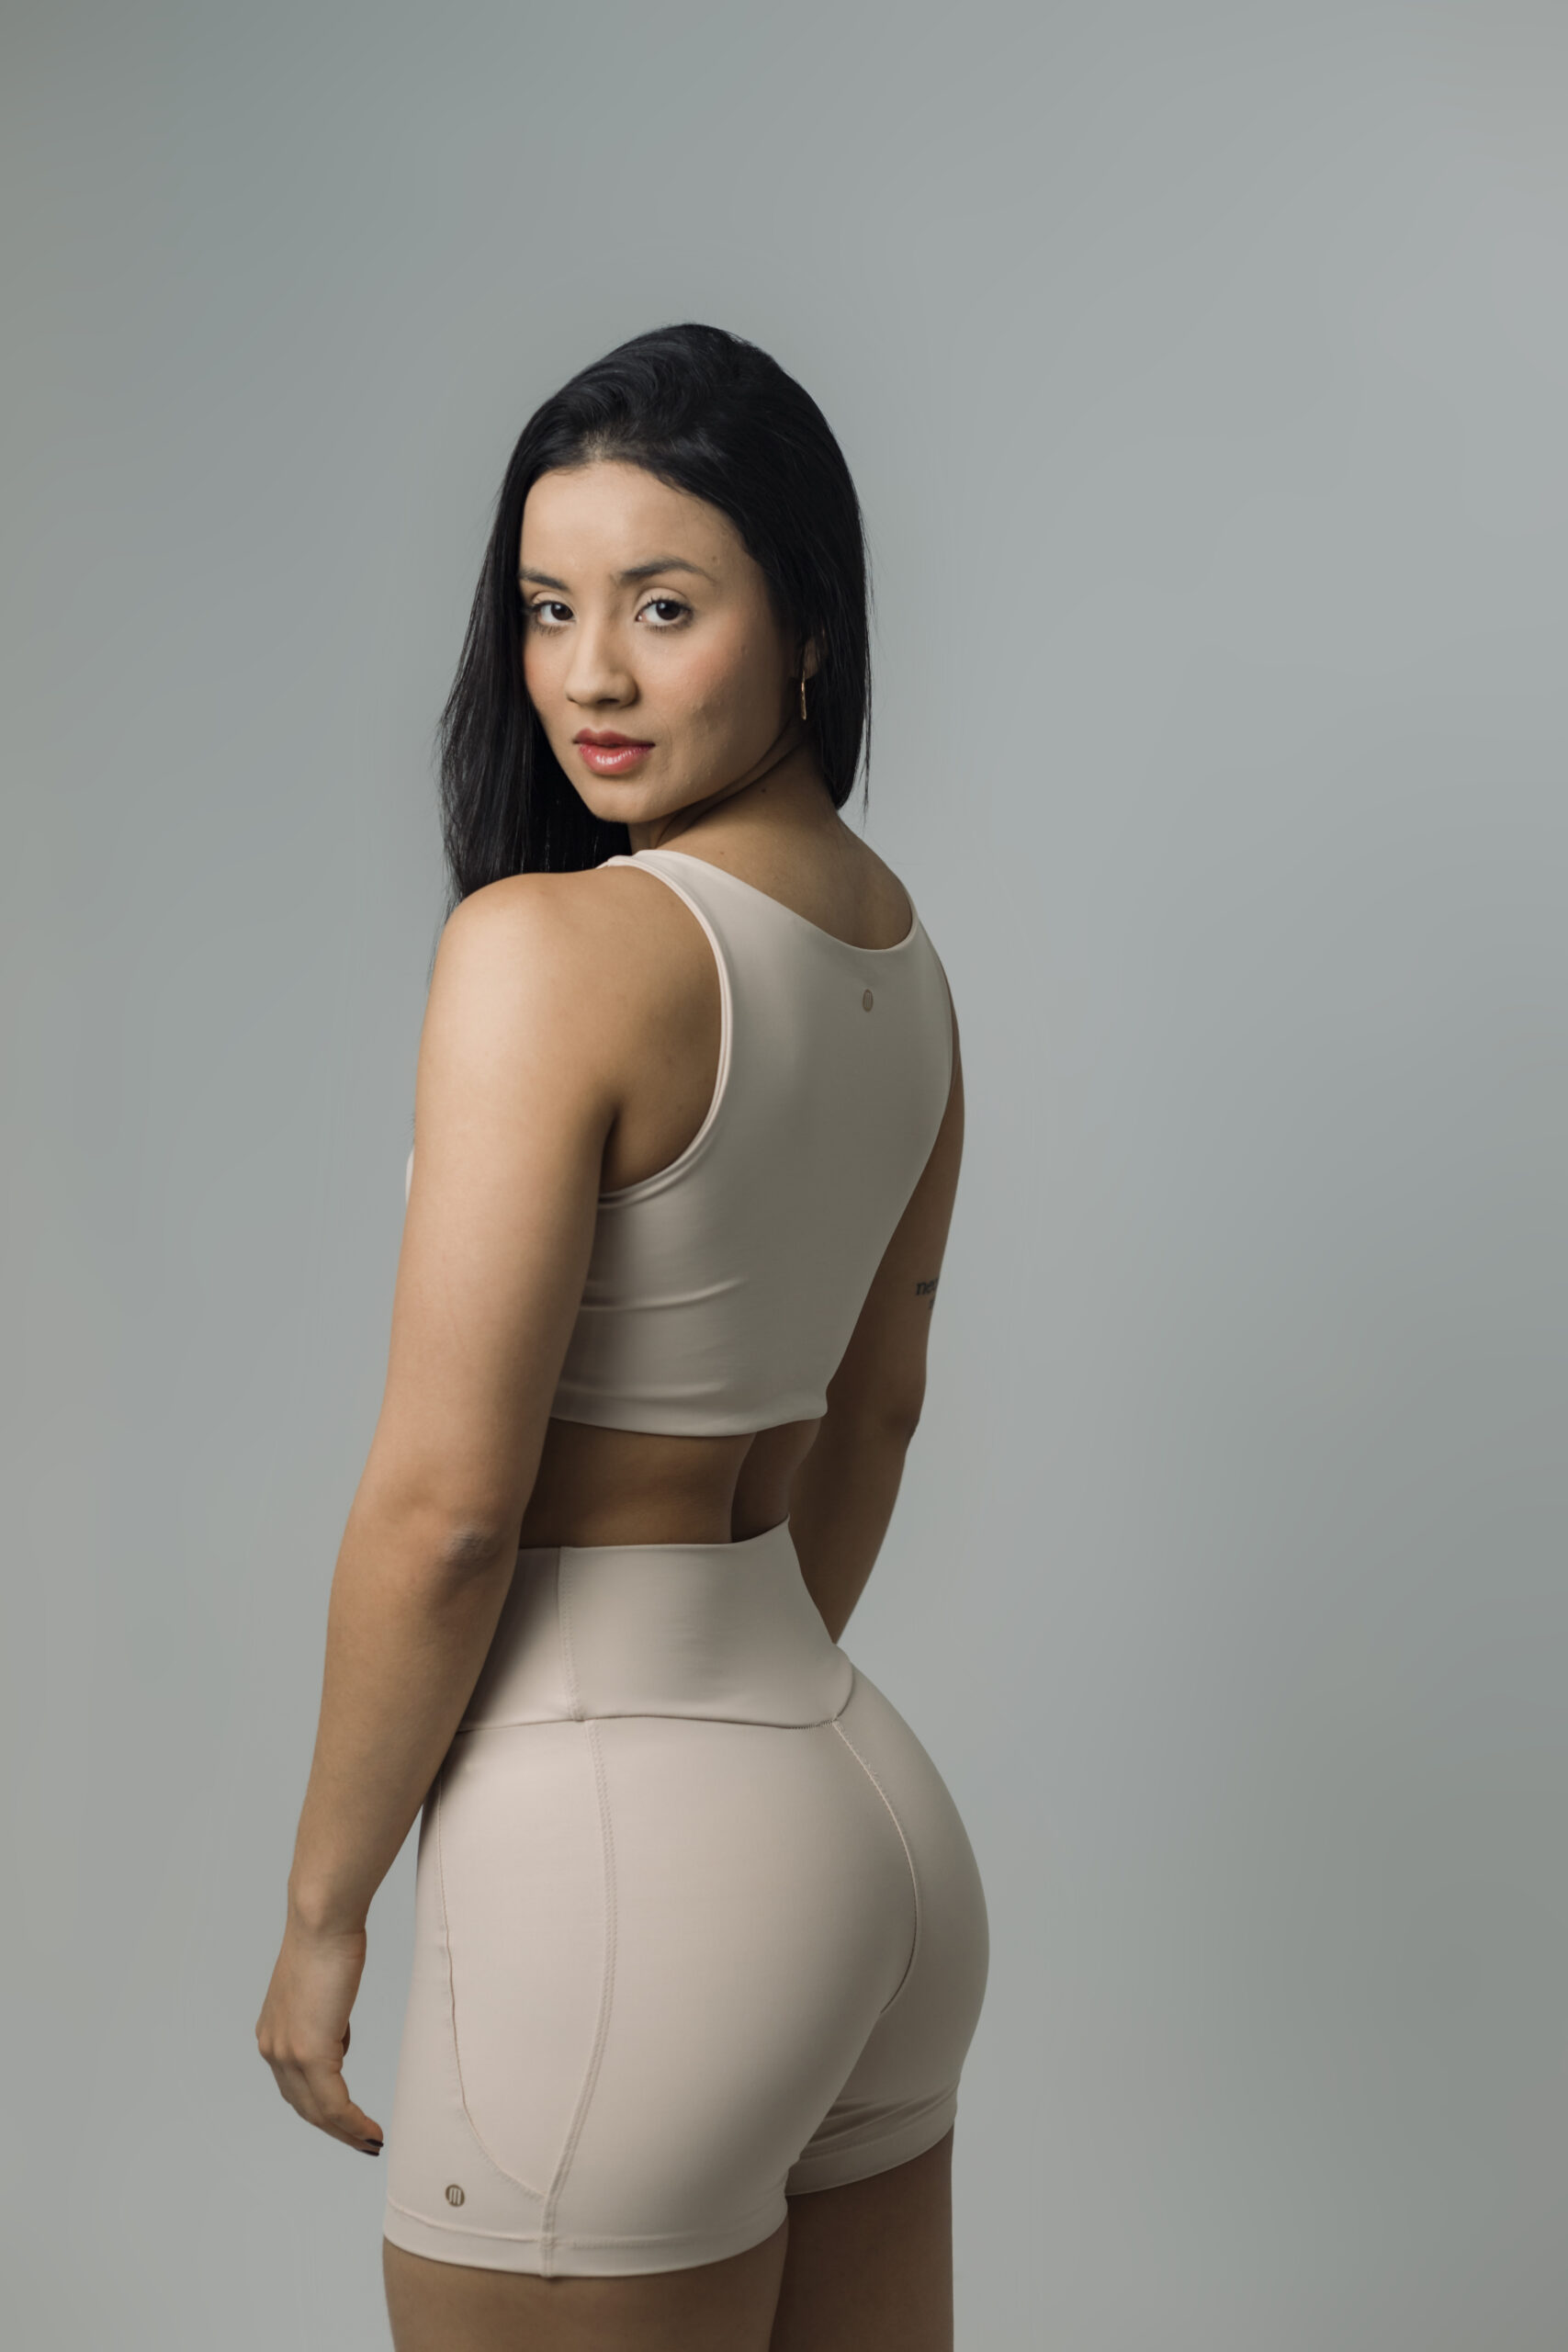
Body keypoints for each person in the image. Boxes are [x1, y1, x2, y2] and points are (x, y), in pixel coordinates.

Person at [255, 322, 989, 2352]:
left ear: (808, 626)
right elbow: (874, 1418)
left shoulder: (551, 951)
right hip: (858, 1816)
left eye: (664, 607)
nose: (588, 673)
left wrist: (323, 1910)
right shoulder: (900, 965)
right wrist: (738, 1745)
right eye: (546, 607)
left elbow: (446, 1511)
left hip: (614, 1856)